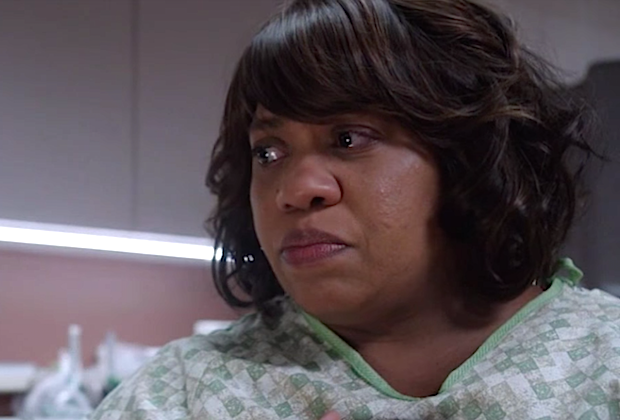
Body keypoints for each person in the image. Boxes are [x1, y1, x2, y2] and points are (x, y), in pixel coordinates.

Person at [92, 0, 620, 419]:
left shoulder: (605, 360)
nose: (295, 190)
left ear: (470, 156)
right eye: (268, 152)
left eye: (348, 138)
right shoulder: (179, 393)